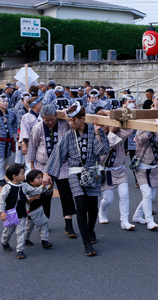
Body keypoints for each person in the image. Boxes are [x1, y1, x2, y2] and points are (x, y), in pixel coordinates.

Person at [43, 102, 109, 256]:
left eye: (74, 120)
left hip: (92, 170)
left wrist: (98, 133)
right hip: (74, 173)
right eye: (69, 120)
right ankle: (86, 242)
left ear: (82, 118)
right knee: (81, 204)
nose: (71, 123)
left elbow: (103, 151)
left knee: (93, 206)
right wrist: (47, 173)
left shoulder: (94, 131)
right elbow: (57, 154)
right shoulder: (68, 136)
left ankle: (90, 229)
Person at [28, 104, 78, 238]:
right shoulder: (38, 127)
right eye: (47, 120)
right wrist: (32, 167)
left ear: (56, 116)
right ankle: (43, 224)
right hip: (43, 166)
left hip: (62, 165)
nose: (50, 122)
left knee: (66, 193)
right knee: (44, 196)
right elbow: (32, 146)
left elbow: (74, 128)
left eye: (52, 119)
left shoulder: (63, 124)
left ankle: (69, 225)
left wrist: (66, 116)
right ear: (42, 118)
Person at [1, 164, 53, 259]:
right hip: (10, 215)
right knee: (8, 232)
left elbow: (35, 191)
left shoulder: (24, 186)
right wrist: (2, 212)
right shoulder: (7, 188)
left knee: (20, 232)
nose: (24, 175)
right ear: (14, 176)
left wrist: (43, 187)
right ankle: (4, 242)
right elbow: (2, 201)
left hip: (21, 214)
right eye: (22, 174)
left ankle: (20, 250)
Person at [131, 104, 158, 230]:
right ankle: (149, 221)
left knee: (151, 195)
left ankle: (137, 215)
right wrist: (149, 131)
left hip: (155, 167)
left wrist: (155, 132)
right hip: (142, 166)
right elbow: (140, 139)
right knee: (147, 194)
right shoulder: (141, 128)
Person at [97, 125, 136, 230]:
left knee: (124, 196)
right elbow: (105, 150)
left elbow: (130, 129)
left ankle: (124, 221)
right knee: (108, 199)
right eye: (102, 125)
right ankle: (102, 211)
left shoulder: (119, 133)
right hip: (106, 172)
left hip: (120, 170)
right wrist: (111, 132)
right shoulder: (97, 137)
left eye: (107, 123)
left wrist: (117, 124)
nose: (105, 126)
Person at [23, 169, 54, 249]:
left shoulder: (43, 187)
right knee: (29, 227)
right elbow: (26, 202)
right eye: (38, 178)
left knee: (44, 224)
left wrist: (51, 185)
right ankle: (25, 239)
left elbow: (48, 192)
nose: (41, 179)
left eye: (41, 177)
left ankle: (45, 241)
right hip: (31, 212)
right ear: (31, 181)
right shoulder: (28, 190)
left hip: (40, 211)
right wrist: (33, 198)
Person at [0, 93, 18, 180]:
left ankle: (2, 174)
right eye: (3, 101)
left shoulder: (11, 113)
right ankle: (1, 177)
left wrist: (14, 132)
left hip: (8, 140)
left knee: (6, 158)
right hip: (0, 139)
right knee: (1, 159)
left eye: (7, 101)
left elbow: (15, 122)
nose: (5, 103)